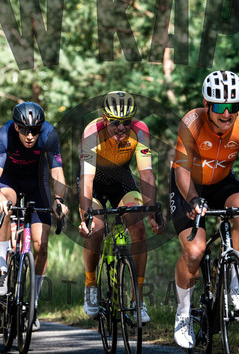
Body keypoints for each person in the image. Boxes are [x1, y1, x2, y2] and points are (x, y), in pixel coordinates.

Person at [170, 70, 239, 348]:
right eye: (219, 107)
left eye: (233, 106)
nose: (227, 113)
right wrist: (193, 199)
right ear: (206, 105)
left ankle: (235, 286)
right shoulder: (192, 122)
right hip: (188, 185)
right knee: (194, 251)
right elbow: (181, 170)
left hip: (221, 182)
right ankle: (183, 313)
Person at [78, 91, 162, 324]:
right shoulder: (92, 132)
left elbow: (146, 173)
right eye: (115, 122)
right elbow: (86, 179)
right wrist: (85, 216)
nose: (121, 127)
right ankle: (91, 284)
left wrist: (152, 211)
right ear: (105, 119)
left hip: (122, 181)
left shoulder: (140, 130)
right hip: (94, 182)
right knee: (95, 229)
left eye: (126, 121)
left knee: (138, 228)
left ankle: (137, 300)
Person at [0, 101, 68, 331]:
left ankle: (33, 304)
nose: (30, 136)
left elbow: (57, 173)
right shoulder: (5, 134)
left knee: (41, 245)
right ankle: (2, 270)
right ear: (16, 127)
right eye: (24, 130)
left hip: (37, 184)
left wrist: (59, 199)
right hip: (10, 180)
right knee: (6, 205)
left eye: (35, 130)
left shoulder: (49, 134)